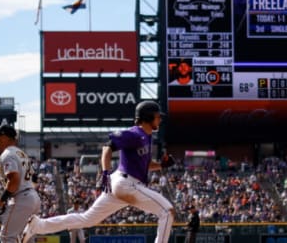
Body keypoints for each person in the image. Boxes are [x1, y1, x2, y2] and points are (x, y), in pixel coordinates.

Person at [20, 101, 175, 243]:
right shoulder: (135, 133)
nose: (159, 119)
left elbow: (145, 165)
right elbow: (107, 147)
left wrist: (162, 165)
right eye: (157, 116)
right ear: (148, 117)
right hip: (125, 183)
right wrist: (105, 172)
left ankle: (38, 225)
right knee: (167, 212)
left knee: (87, 220)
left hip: (124, 184)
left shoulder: (147, 137)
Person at [0, 124, 40, 243]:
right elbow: (35, 178)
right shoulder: (21, 153)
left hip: (22, 198)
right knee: (25, 238)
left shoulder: (7, 154)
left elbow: (14, 181)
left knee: (7, 237)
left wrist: (2, 201)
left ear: (5, 137)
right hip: (33, 197)